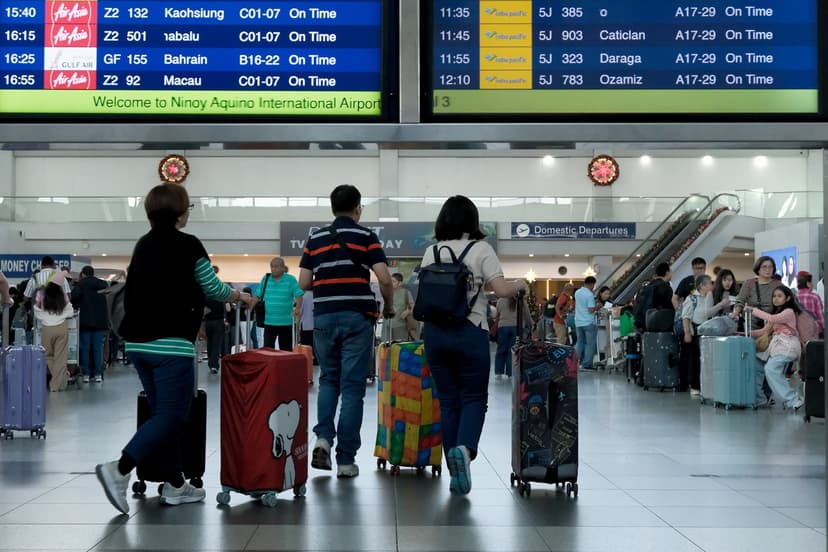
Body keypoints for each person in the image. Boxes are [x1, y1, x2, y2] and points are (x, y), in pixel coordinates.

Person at [95, 183, 254, 514]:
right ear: (180, 214)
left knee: (162, 414)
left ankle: (175, 484)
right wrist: (239, 295)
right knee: (172, 415)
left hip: (137, 343)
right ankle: (119, 469)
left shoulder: (143, 245)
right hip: (171, 345)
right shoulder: (189, 244)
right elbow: (213, 288)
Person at [417, 195, 528, 495]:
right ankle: (464, 450)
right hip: (470, 332)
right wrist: (521, 284)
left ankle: (456, 474)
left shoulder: (431, 251)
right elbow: (501, 290)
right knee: (474, 398)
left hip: (435, 335)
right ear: (472, 220)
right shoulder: (481, 249)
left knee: (448, 401)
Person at [299, 184, 394, 479]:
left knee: (328, 380)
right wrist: (389, 306)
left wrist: (327, 280)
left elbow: (303, 282)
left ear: (332, 208)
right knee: (352, 388)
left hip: (324, 317)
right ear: (358, 209)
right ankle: (345, 460)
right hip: (356, 317)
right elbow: (384, 278)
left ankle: (323, 439)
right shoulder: (366, 236)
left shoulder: (315, 238)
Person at [746, 286, 804, 411]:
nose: (775, 299)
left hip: (787, 347)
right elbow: (764, 331)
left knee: (770, 369)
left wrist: (753, 310)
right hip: (778, 348)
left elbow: (771, 319)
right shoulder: (778, 313)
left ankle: (793, 399)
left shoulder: (788, 312)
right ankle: (762, 399)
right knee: (761, 367)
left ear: (787, 298)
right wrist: (744, 333)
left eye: (779, 296)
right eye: (774, 296)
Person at [679, 274, 729, 393]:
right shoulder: (692, 299)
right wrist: (687, 332)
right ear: (702, 286)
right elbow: (686, 317)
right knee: (693, 360)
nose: (712, 285)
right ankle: (692, 385)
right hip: (693, 333)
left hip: (703, 333)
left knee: (701, 359)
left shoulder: (708, 298)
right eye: (710, 283)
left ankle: (700, 384)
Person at [33, 271, 74, 392]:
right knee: (60, 357)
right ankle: (58, 383)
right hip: (61, 327)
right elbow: (70, 311)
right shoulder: (62, 295)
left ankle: (56, 383)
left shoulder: (41, 294)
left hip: (47, 328)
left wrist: (45, 317)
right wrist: (62, 315)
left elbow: (36, 311)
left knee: (47, 355)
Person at [253, 257, 304, 351]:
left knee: (285, 350)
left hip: (286, 322)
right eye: (272, 266)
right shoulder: (266, 279)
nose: (273, 269)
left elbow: (299, 295)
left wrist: (297, 308)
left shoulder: (290, 279)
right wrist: (250, 307)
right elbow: (257, 295)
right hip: (269, 321)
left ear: (283, 268)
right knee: (268, 350)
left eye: (276, 267)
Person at [70, 266, 109, 384]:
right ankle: (98, 374)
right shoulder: (103, 284)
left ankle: (86, 374)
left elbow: (73, 299)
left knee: (85, 349)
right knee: (98, 349)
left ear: (83, 274)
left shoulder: (80, 285)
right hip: (100, 322)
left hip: (85, 322)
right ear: (93, 273)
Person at [493, 294, 531, 379]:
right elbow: (527, 314)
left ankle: (498, 372)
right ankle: (510, 373)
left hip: (503, 327)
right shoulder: (521, 300)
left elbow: (496, 314)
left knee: (501, 349)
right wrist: (530, 323)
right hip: (517, 327)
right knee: (513, 350)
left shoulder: (501, 300)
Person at [203, 266, 227, 374]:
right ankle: (214, 365)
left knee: (210, 343)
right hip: (218, 320)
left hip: (209, 321)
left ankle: (211, 364)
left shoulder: (205, 289)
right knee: (216, 344)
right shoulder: (220, 287)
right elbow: (225, 304)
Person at [574, 277, 598, 370]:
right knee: (590, 344)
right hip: (588, 322)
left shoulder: (577, 292)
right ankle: (586, 364)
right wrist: (598, 306)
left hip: (578, 322)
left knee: (579, 342)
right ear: (592, 284)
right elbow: (590, 310)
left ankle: (573, 362)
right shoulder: (589, 295)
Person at [796, 271, 824, 337]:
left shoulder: (794, 297)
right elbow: (820, 317)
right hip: (813, 331)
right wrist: (822, 329)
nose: (812, 284)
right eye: (811, 282)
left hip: (799, 332)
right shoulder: (815, 296)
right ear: (808, 283)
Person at [389, 273, 416, 341]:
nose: (391, 283)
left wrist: (408, 312)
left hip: (400, 326)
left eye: (393, 281)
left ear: (400, 283)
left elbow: (414, 308)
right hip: (387, 327)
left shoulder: (406, 293)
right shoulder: (387, 292)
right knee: (386, 346)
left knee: (400, 346)